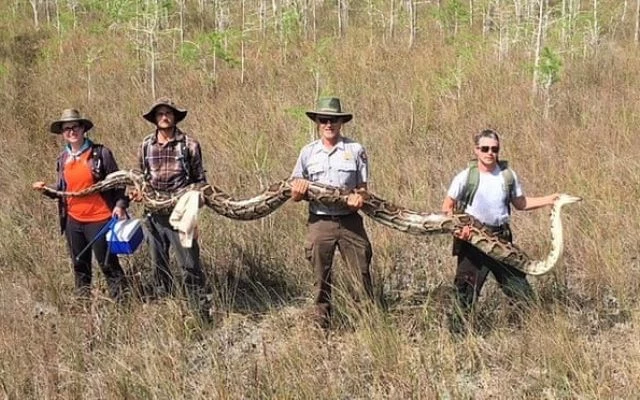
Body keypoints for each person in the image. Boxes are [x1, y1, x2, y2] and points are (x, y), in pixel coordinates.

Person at [441, 128, 559, 333]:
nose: (490, 153)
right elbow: (447, 207)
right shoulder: (465, 176)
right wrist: (460, 230)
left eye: (494, 149)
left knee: (520, 290)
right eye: (484, 148)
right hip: (473, 242)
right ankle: (459, 340)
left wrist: (550, 199)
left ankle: (534, 332)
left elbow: (520, 203)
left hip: (501, 240)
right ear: (476, 150)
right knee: (465, 294)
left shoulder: (507, 175)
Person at [290, 97, 374, 329]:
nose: (329, 124)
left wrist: (360, 198)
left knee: (361, 275)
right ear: (317, 122)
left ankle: (367, 325)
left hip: (350, 222)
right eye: (324, 119)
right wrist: (298, 191)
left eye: (333, 120)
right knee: (320, 278)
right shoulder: (308, 152)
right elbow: (294, 192)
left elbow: (364, 190)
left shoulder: (355, 150)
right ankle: (321, 326)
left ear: (341, 122)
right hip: (320, 221)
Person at [32, 109, 129, 302]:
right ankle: (83, 304)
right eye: (66, 128)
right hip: (73, 221)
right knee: (79, 264)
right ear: (62, 133)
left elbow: (119, 182)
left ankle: (123, 304)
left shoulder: (101, 153)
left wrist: (120, 204)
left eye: (75, 126)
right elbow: (64, 190)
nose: (71, 131)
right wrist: (46, 189)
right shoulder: (63, 159)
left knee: (107, 263)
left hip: (100, 219)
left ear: (83, 128)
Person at [130, 97, 211, 323]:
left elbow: (200, 180)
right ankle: (165, 312)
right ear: (155, 119)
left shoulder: (189, 144)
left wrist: (195, 200)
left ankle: (201, 313)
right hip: (153, 215)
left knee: (190, 265)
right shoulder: (145, 145)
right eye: (160, 114)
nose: (164, 117)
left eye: (168, 113)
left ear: (174, 117)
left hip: (181, 215)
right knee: (159, 265)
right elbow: (140, 178)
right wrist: (136, 193)